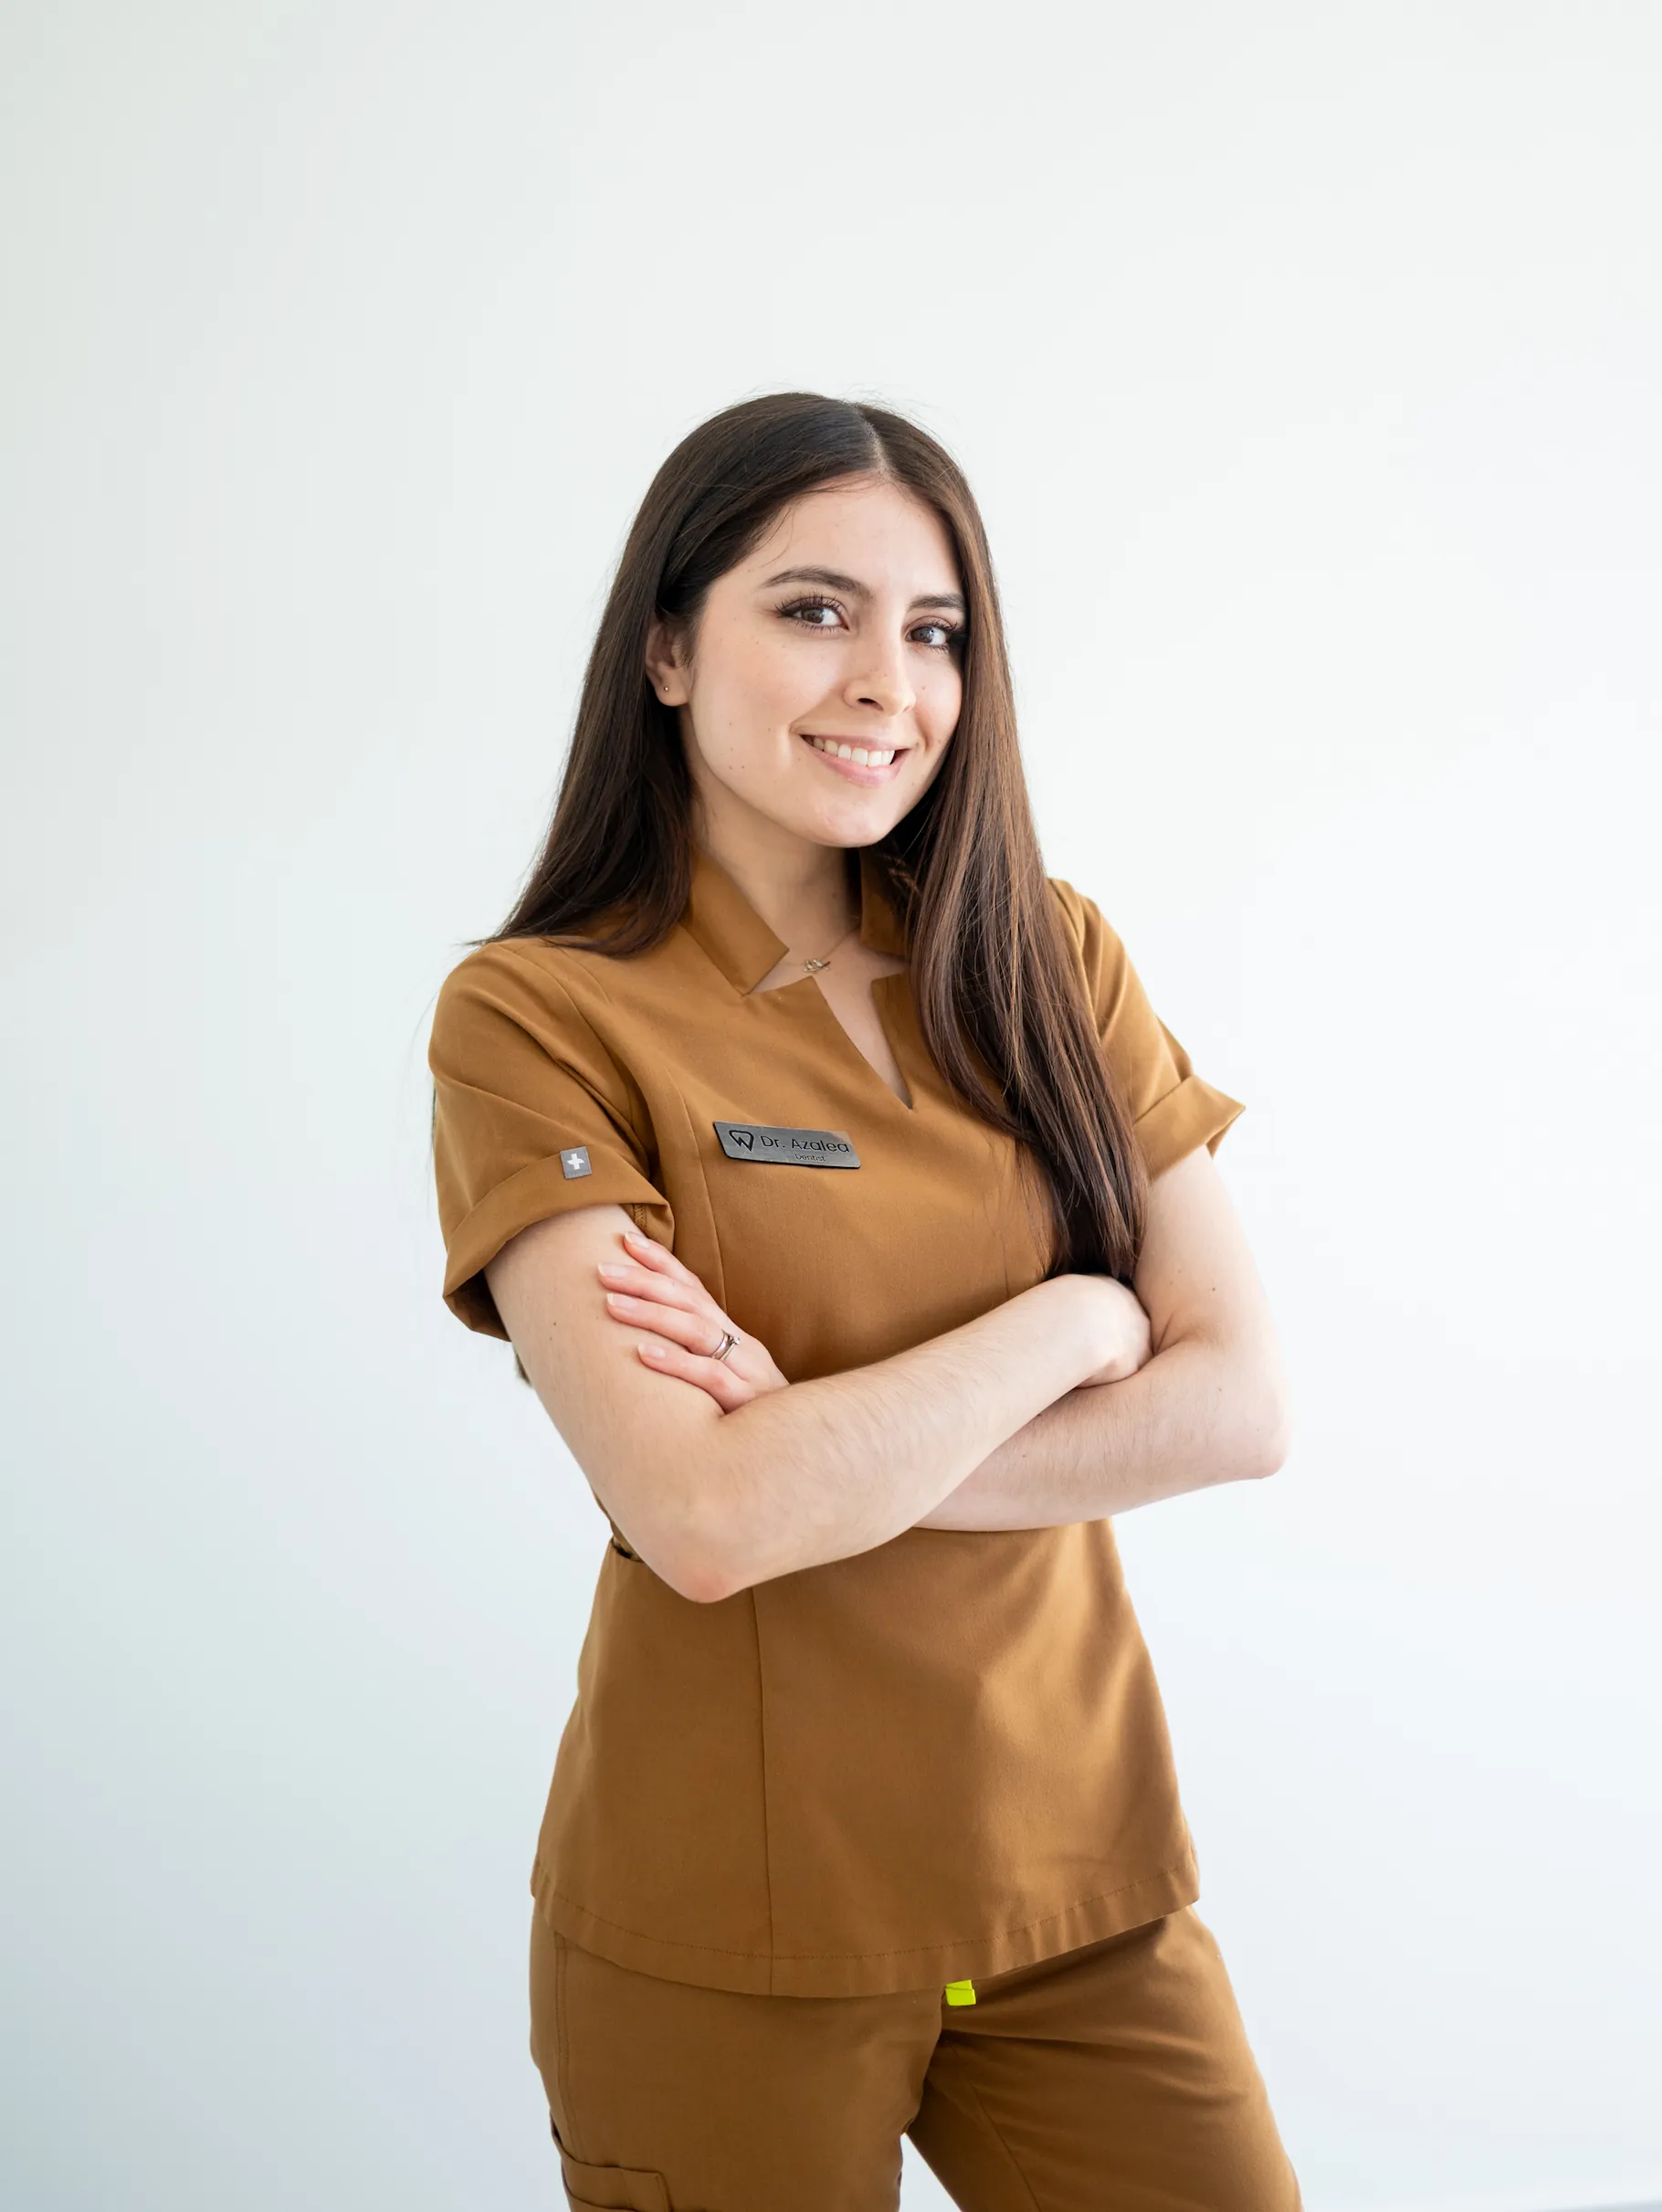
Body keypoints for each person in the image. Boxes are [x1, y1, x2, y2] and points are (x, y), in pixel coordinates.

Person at [427, 391, 1301, 2210]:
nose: (885, 683)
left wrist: (838, 1440)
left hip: (1074, 1892)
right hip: (731, 1928)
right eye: (813, 610)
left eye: (934, 632)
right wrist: (1068, 1325)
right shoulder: (536, 1017)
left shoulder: (1044, 957)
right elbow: (707, 1511)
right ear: (667, 646)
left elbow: (1238, 1405)